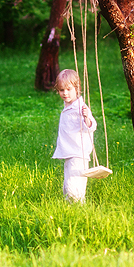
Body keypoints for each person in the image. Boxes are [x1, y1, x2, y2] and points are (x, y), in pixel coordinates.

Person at [51, 69, 96, 203]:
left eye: (69, 89)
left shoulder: (80, 107)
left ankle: (78, 210)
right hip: (69, 153)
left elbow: (91, 126)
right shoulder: (68, 106)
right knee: (67, 186)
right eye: (61, 90)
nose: (65, 93)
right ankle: (71, 210)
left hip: (78, 153)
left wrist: (87, 117)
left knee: (74, 188)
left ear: (77, 88)